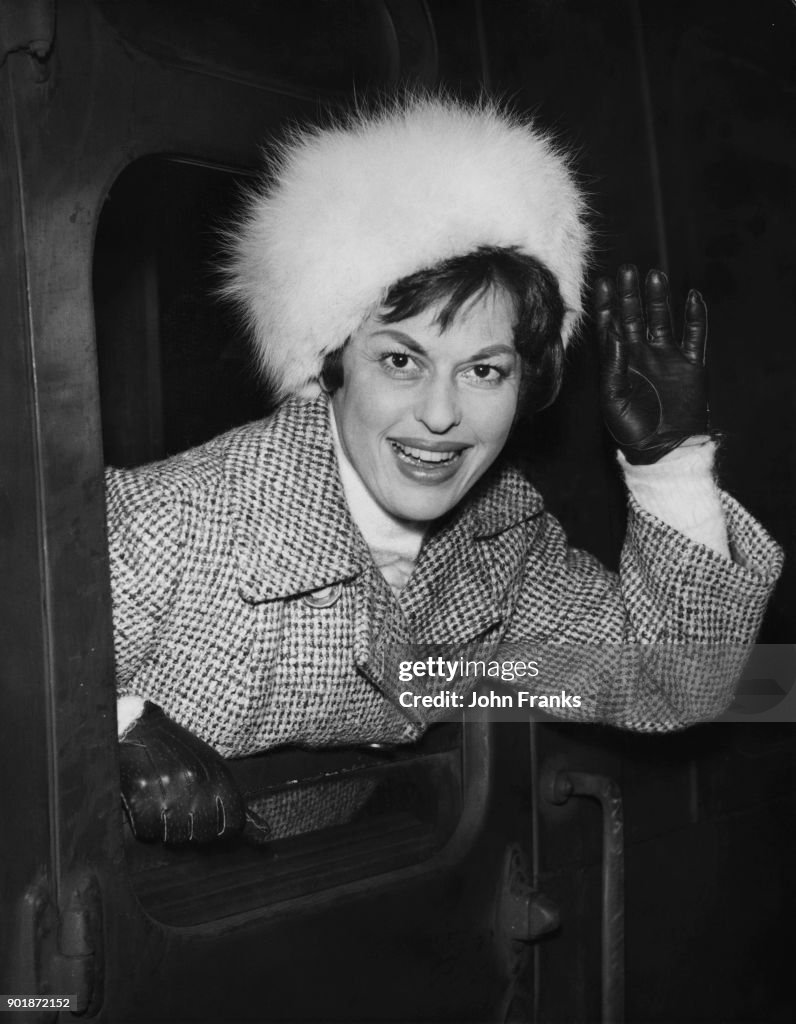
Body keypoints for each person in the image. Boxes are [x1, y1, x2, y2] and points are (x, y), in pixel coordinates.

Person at [110, 96, 783, 844]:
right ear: (332, 366)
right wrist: (113, 729)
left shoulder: (505, 552)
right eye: (401, 360)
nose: (440, 415)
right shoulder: (163, 523)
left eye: (484, 371)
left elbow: (676, 687)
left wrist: (670, 468)